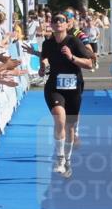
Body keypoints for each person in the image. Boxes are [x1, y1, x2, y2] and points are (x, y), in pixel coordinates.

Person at [40, 12, 94, 177]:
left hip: (74, 88)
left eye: (61, 20)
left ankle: (68, 161)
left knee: (70, 126)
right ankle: (60, 158)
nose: (57, 22)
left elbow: (89, 63)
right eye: (54, 20)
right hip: (54, 87)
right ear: (51, 24)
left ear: (66, 24)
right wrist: (42, 67)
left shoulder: (74, 42)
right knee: (59, 117)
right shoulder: (47, 44)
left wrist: (72, 57)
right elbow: (44, 61)